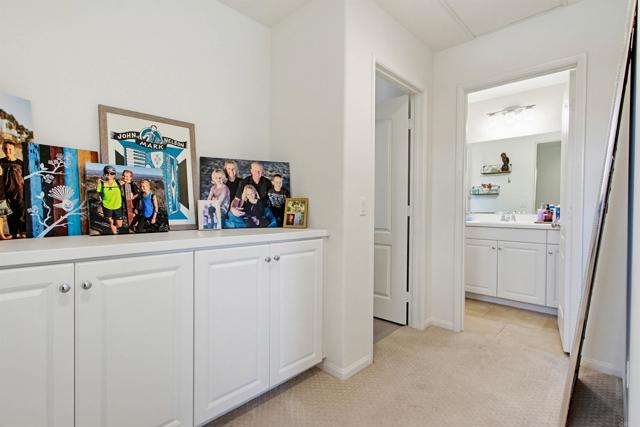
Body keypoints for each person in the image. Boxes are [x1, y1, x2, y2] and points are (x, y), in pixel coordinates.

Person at [0, 139, 26, 238]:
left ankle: (23, 232)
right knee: (10, 215)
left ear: (14, 150)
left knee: (21, 214)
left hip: (19, 192)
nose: (8, 151)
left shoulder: (20, 163)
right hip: (5, 193)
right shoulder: (1, 162)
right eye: (5, 149)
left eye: (10, 149)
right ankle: (14, 233)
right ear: (3, 149)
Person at [96, 165, 123, 235]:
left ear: (114, 174)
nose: (109, 175)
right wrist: (101, 201)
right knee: (111, 222)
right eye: (107, 173)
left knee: (119, 224)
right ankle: (115, 235)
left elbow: (127, 181)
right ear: (104, 174)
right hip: (107, 206)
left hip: (117, 206)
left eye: (112, 173)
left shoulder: (118, 182)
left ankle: (115, 228)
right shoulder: (101, 184)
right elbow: (99, 193)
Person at [0, 163, 12, 240]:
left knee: (1, 217)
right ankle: (1, 235)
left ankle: (1, 234)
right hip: (1, 197)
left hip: (1, 196)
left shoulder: (1, 169)